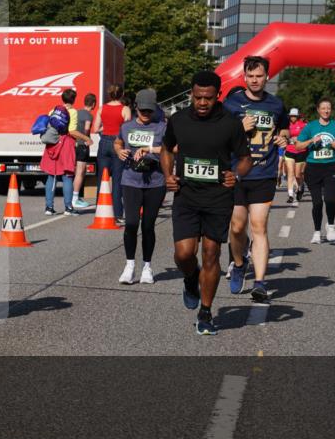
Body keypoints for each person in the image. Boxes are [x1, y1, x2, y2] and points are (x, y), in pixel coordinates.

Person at [161, 71, 250, 336]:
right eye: (198, 97)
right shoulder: (178, 120)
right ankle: (190, 279)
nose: (202, 103)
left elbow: (245, 158)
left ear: (218, 95)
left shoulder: (231, 123)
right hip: (186, 196)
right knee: (184, 254)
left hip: (218, 198)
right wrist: (168, 175)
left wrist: (238, 174)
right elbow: (166, 148)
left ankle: (206, 312)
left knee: (211, 253)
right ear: (191, 94)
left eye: (208, 98)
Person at [222, 55, 289, 302]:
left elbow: (284, 128)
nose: (254, 80)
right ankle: (239, 263)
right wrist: (239, 127)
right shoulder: (232, 103)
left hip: (265, 172)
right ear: (244, 77)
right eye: (250, 76)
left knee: (259, 226)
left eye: (259, 76)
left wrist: (284, 137)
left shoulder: (276, 104)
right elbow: (220, 134)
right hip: (238, 172)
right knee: (237, 227)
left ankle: (260, 282)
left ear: (267, 77)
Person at [115, 88, 167, 285]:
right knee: (131, 223)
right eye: (142, 110)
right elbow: (118, 142)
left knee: (148, 225)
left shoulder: (162, 127)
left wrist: (149, 149)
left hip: (155, 181)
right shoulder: (126, 126)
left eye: (149, 111)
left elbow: (173, 149)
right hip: (130, 180)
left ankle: (147, 266)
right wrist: (119, 151)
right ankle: (129, 265)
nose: (145, 114)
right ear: (135, 108)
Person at [296, 98, 335, 244]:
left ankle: (331, 226)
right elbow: (298, 146)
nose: (326, 110)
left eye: (328, 108)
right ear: (318, 110)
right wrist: (311, 141)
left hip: (330, 167)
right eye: (323, 108)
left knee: (329, 199)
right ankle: (317, 232)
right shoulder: (310, 127)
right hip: (313, 168)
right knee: (317, 203)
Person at [93, 85, 131, 225]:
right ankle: (117, 213)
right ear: (122, 94)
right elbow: (127, 129)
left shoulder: (102, 108)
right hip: (118, 143)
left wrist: (106, 127)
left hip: (104, 142)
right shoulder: (125, 109)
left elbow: (96, 128)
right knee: (117, 179)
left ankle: (100, 210)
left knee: (102, 179)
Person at [41, 96, 78, 216]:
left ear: (63, 98)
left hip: (52, 145)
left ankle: (49, 207)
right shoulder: (72, 112)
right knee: (67, 176)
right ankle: (68, 207)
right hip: (66, 144)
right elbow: (72, 131)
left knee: (52, 176)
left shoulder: (53, 111)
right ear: (74, 99)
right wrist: (86, 138)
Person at [71, 92, 95, 210]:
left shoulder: (77, 112)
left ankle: (75, 196)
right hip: (82, 145)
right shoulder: (88, 115)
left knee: (76, 171)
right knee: (80, 172)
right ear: (93, 104)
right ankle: (75, 198)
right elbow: (86, 129)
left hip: (74, 145)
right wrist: (87, 140)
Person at [284, 108, 307, 204]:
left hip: (301, 151)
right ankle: (290, 195)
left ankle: (301, 188)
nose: (292, 118)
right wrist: (286, 139)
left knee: (298, 175)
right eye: (291, 116)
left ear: (298, 116)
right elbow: (283, 136)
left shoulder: (303, 125)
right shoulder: (286, 125)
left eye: (294, 116)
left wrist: (298, 139)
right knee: (290, 173)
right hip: (289, 151)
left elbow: (307, 136)